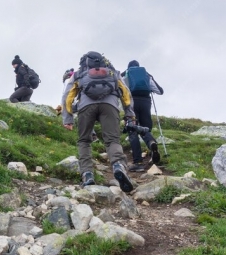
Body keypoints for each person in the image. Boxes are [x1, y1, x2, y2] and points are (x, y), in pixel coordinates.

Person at [63, 51, 135, 192]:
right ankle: (118, 165)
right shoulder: (112, 72)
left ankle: (87, 175)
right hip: (110, 106)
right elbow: (126, 93)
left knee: (84, 141)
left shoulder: (79, 74)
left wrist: (68, 118)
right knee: (112, 140)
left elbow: (68, 95)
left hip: (86, 106)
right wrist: (129, 114)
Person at [122, 60, 163, 171]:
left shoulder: (126, 75)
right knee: (145, 128)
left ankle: (138, 162)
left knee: (132, 130)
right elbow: (160, 91)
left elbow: (120, 90)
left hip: (132, 104)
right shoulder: (146, 76)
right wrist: (152, 78)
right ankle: (151, 143)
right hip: (146, 103)